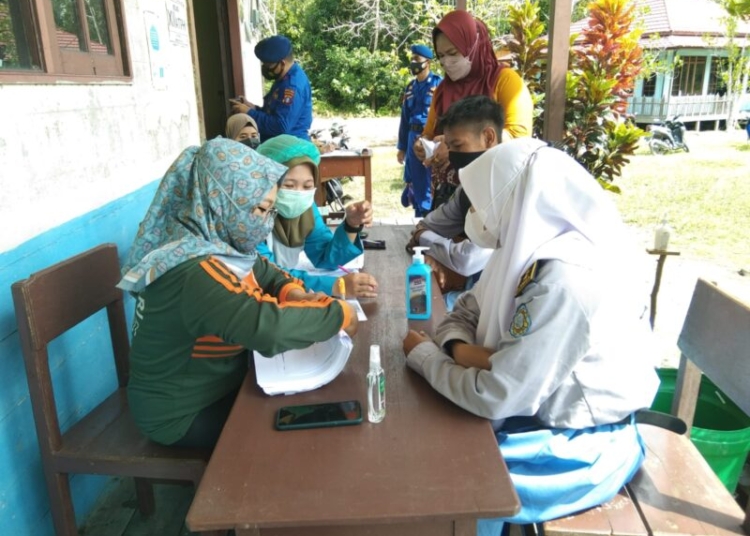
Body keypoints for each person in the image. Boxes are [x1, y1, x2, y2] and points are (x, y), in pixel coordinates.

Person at [402, 138, 659, 535]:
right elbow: (466, 309)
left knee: (448, 474)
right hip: (534, 417)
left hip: (575, 445)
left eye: (478, 201)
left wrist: (427, 357)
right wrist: (462, 350)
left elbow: (496, 396)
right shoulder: (522, 248)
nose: (473, 213)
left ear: (513, 197)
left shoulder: (565, 279)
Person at [119, 138, 358, 449]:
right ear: (224, 202)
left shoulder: (215, 243)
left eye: (271, 210)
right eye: (260, 209)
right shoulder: (194, 269)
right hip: (181, 413)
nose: (265, 221)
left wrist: (294, 293)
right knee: (293, 437)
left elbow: (265, 270)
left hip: (220, 384)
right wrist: (341, 313)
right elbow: (268, 327)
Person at [413, 10, 534, 210]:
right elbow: (430, 133)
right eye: (441, 56)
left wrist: (454, 146)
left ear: (475, 45)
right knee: (438, 236)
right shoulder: (443, 90)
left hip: (492, 196)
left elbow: (519, 137)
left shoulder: (505, 82)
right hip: (448, 197)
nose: (446, 62)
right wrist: (423, 145)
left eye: (453, 53)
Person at [405, 95, 501, 310]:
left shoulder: (507, 190)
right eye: (449, 147)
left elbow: (468, 260)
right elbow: (430, 224)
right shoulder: (469, 186)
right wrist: (429, 245)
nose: (452, 156)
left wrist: (423, 239)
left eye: (458, 145)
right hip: (474, 292)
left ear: (488, 137)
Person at [255, 134, 378, 298]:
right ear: (268, 182)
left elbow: (325, 257)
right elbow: (266, 274)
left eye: (308, 186)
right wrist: (336, 285)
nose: (299, 194)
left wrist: (351, 225)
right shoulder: (254, 214)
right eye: (289, 185)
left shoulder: (306, 209)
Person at [230, 35, 312, 141]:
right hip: (280, 144)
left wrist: (249, 112)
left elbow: (280, 126)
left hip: (290, 148)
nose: (266, 69)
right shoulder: (282, 79)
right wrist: (252, 108)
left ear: (282, 63)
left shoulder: (291, 86)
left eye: (269, 66)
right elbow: (273, 113)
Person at [397, 44, 442, 217]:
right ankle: (419, 218)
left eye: (417, 59)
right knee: (415, 179)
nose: (413, 62)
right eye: (412, 59)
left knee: (429, 179)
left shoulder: (438, 84)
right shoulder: (410, 87)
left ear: (427, 62)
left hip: (430, 138)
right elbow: (404, 118)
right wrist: (401, 148)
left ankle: (431, 216)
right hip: (412, 137)